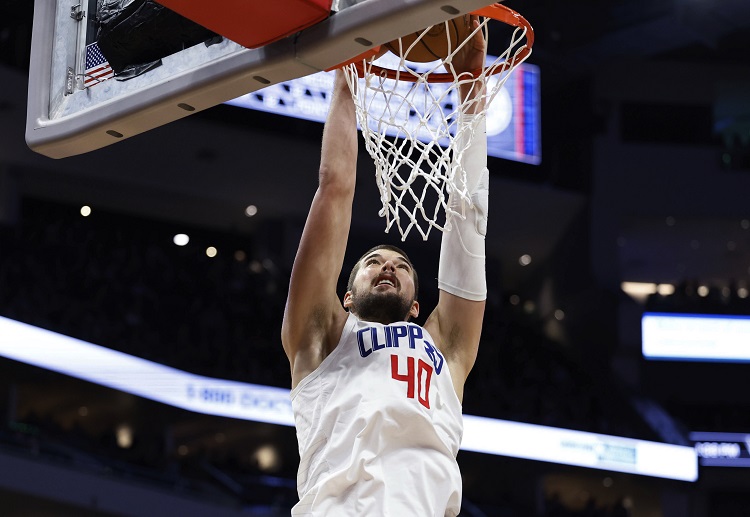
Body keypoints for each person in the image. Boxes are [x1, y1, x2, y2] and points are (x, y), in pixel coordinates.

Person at [281, 15, 488, 516]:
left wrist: (473, 94)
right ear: (345, 297)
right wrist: (346, 79)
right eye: (372, 261)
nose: (387, 265)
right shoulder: (322, 335)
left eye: (400, 264)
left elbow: (467, 217)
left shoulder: (446, 346)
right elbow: (335, 187)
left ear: (418, 306)